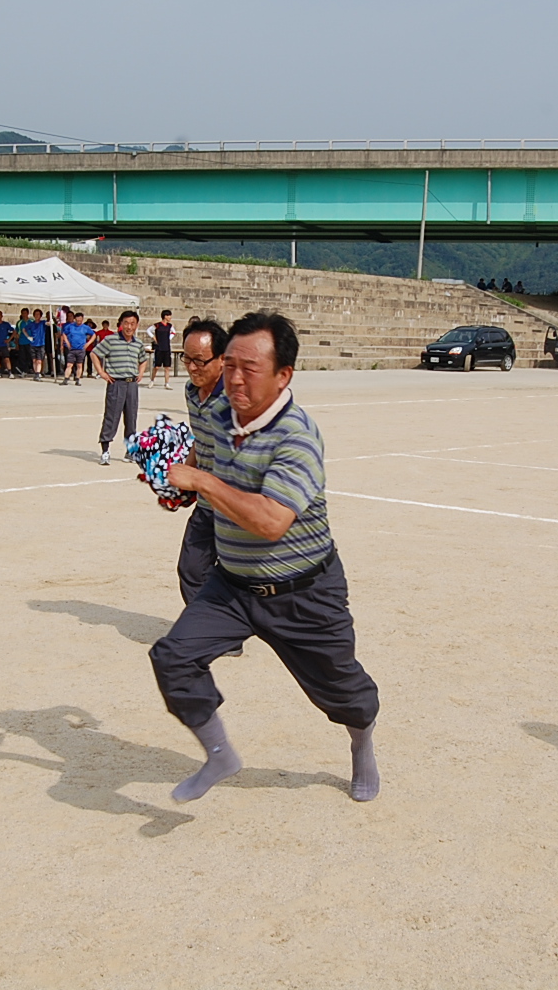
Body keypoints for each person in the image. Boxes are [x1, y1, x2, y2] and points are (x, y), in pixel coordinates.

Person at [151, 311, 380, 803]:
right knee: (173, 658)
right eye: (230, 365)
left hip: (304, 591)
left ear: (283, 375)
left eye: (249, 368)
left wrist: (203, 482)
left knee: (343, 692)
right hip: (232, 585)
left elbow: (272, 521)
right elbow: (203, 458)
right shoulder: (218, 415)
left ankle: (361, 743)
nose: (234, 378)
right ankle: (219, 755)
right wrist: (178, 485)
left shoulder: (297, 436)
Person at [176, 318, 231, 605]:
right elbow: (200, 437)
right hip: (207, 503)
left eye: (200, 360)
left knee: (244, 575)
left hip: (237, 507)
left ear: (222, 359)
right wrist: (187, 473)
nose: (192, 367)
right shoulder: (190, 392)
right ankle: (207, 625)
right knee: (192, 569)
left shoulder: (237, 398)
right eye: (187, 359)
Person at [94, 310, 146, 466]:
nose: (129, 327)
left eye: (132, 324)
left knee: (131, 417)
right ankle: (105, 450)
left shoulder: (138, 343)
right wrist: (101, 372)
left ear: (136, 325)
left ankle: (130, 451)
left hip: (132, 384)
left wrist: (141, 373)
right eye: (126, 323)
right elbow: (95, 354)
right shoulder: (111, 340)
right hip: (116, 383)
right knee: (112, 416)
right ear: (121, 324)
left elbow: (143, 359)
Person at [60, 311, 95, 386]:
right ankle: (66, 379)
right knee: (69, 365)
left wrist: (88, 343)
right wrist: (67, 342)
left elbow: (93, 335)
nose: (79, 320)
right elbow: (64, 334)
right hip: (72, 349)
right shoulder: (70, 326)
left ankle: (78, 379)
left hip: (81, 349)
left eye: (80, 319)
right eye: (77, 319)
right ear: (75, 319)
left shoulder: (85, 327)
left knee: (79, 365)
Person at [147, 310, 175, 389]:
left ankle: (167, 383)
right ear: (165, 316)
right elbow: (148, 330)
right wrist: (153, 337)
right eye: (169, 315)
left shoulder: (170, 326)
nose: (170, 317)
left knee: (167, 367)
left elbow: (173, 332)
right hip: (159, 348)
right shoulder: (157, 325)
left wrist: (169, 338)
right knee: (156, 367)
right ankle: (152, 381)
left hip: (167, 348)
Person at [26, 308, 48, 380]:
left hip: (41, 344)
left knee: (39, 360)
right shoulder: (31, 324)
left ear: (40, 316)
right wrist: (28, 337)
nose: (37, 316)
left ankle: (38, 374)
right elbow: (24, 329)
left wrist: (51, 322)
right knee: (34, 360)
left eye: (38, 314)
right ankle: (36, 373)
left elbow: (48, 323)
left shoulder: (43, 323)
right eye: (36, 314)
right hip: (33, 344)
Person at [15, 308, 34, 375]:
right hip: (22, 342)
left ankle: (31, 368)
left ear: (28, 313)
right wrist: (17, 344)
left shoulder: (32, 321)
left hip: (30, 342)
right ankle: (23, 370)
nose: (24, 315)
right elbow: (17, 333)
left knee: (31, 356)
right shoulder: (19, 323)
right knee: (22, 357)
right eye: (23, 313)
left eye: (25, 313)